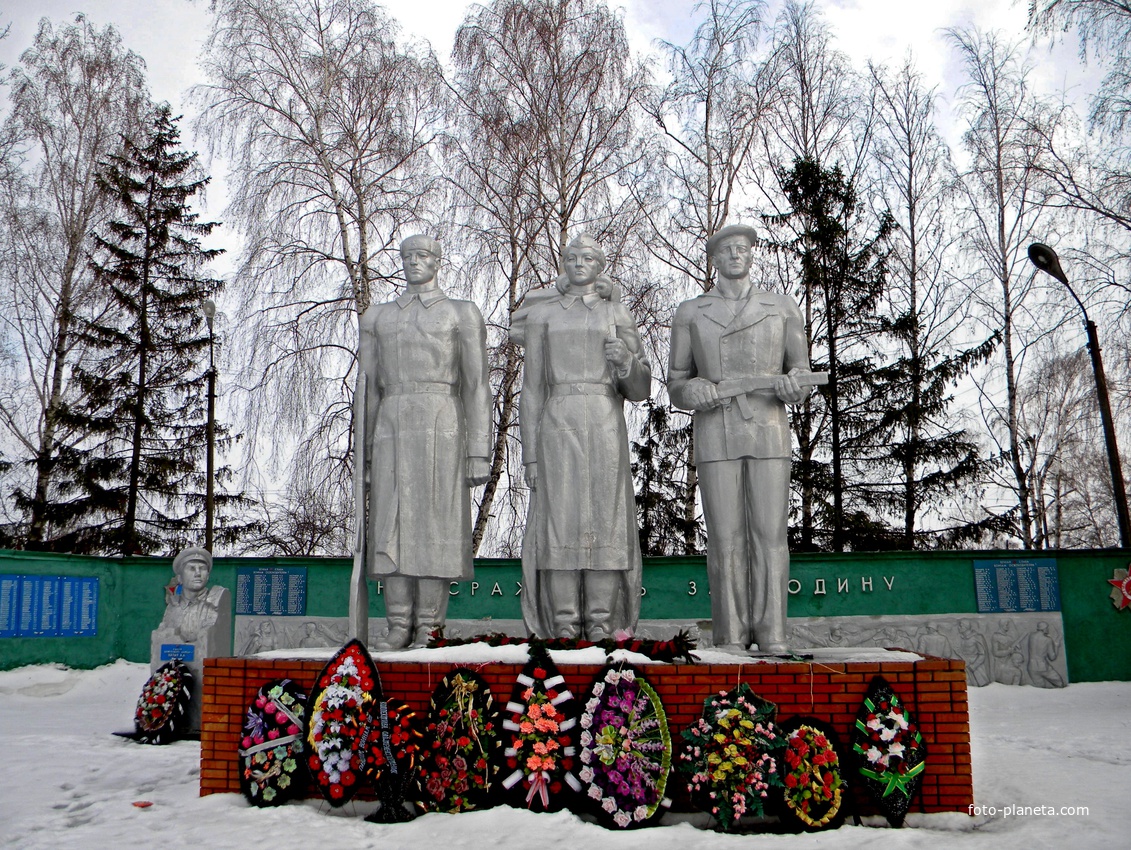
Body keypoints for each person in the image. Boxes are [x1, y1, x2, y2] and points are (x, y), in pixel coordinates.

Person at [668, 223, 812, 653]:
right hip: (717, 429)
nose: (735, 255)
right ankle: (729, 634)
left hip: (768, 428)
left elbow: (800, 373)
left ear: (752, 255)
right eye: (727, 249)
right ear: (714, 258)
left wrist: (794, 385)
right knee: (725, 536)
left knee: (770, 534)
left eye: (743, 248)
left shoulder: (782, 307)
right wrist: (691, 390)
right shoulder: (691, 311)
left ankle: (773, 633)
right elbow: (676, 381)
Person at [358, 234, 491, 650]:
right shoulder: (377, 317)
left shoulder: (461, 313)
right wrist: (362, 452)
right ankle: (398, 623)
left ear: (437, 261)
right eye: (407, 256)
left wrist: (478, 450)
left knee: (436, 521)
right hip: (392, 424)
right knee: (391, 522)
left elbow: (477, 385)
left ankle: (429, 626)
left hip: (442, 420)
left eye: (422, 256)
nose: (414, 262)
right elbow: (367, 390)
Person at [516, 234, 651, 640]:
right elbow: (532, 389)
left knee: (605, 522)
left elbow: (642, 388)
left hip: (605, 422)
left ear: (600, 265)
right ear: (562, 263)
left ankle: (599, 622)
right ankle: (563, 621)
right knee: (560, 521)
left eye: (588, 257)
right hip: (558, 422)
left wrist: (626, 361)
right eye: (571, 257)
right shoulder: (544, 316)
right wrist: (530, 456)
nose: (579, 263)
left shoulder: (616, 313)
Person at [158, 547, 226, 643]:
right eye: (192, 568)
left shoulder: (215, 601)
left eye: (202, 568)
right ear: (180, 577)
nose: (198, 573)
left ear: (207, 576)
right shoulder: (172, 605)